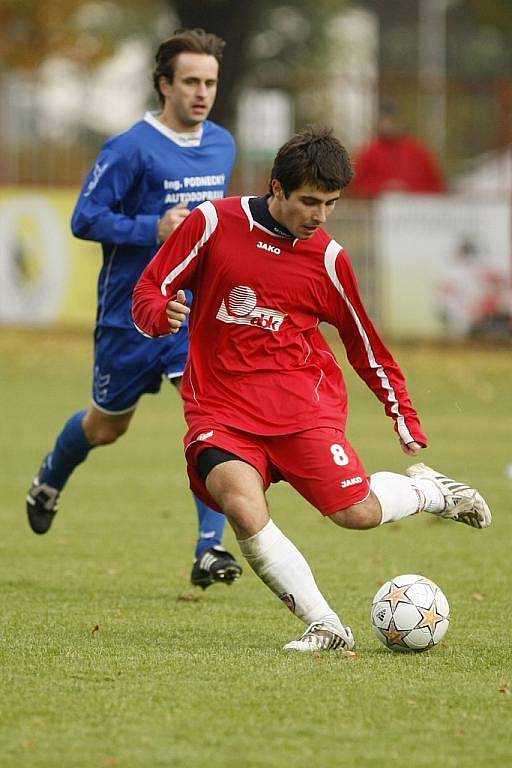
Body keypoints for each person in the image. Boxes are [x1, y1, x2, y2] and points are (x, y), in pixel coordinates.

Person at [132, 126, 492, 652]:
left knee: (357, 513)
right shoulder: (212, 223)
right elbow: (150, 289)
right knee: (239, 501)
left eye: (330, 203)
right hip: (221, 408)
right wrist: (161, 314)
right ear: (275, 187)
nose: (320, 216)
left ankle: (431, 491)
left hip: (304, 409)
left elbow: (365, 345)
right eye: (309, 202)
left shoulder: (328, 259)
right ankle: (326, 625)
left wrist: (403, 416)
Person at [26, 28, 243, 590]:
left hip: (191, 314)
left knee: (213, 418)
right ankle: (49, 478)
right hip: (129, 316)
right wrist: (153, 227)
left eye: (210, 82)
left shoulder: (222, 144)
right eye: (191, 81)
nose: (202, 92)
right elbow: (84, 218)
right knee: (106, 427)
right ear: (164, 85)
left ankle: (208, 549)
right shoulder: (129, 149)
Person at [351, 102, 446, 198]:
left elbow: (436, 184)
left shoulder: (419, 151)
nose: (388, 126)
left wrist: (408, 189)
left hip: (415, 206)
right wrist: (382, 188)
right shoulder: (367, 152)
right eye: (384, 121)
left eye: (392, 121)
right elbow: (356, 186)